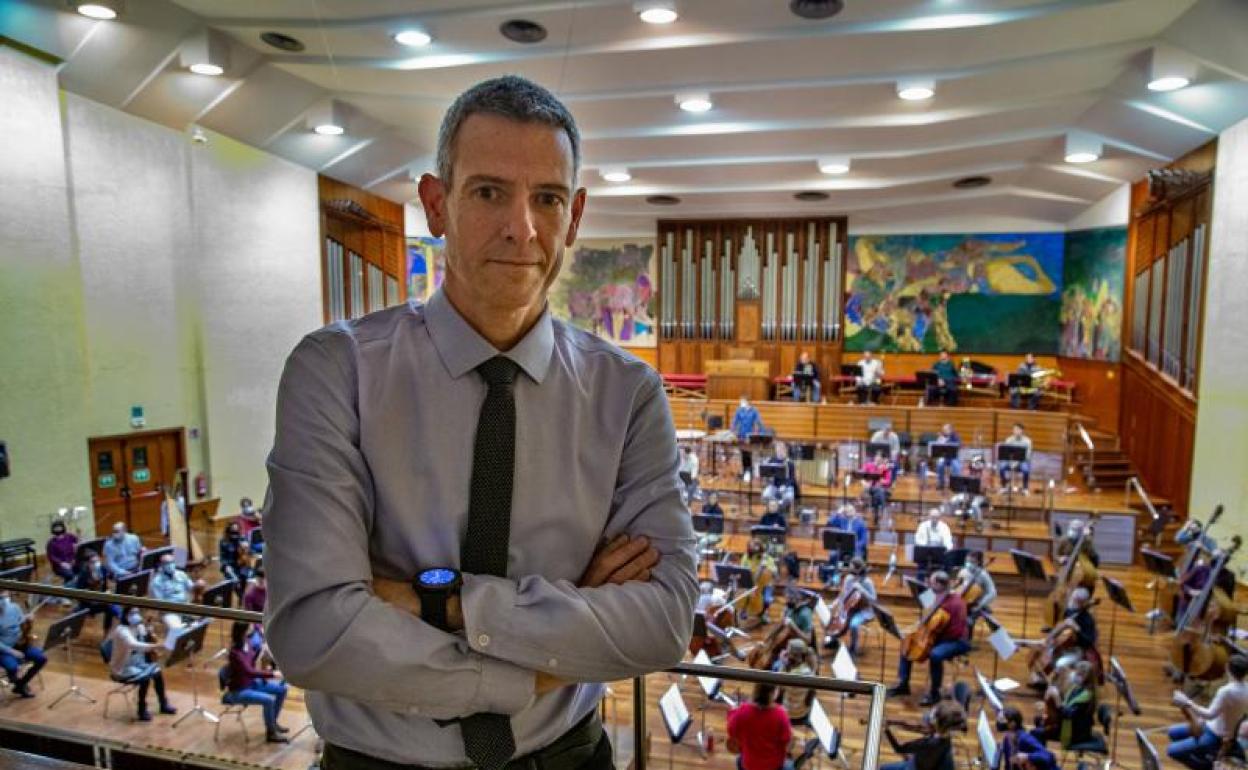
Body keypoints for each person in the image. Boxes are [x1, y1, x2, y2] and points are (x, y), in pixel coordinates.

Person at [265, 76, 697, 770]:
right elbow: (314, 629)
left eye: (548, 199)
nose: (521, 228)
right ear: (437, 204)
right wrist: (549, 647)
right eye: (490, 191)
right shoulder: (336, 371)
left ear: (576, 216)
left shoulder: (629, 393)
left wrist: (438, 606)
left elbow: (663, 621)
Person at [888, 571, 970, 706]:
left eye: (931, 583)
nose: (928, 585)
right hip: (938, 633)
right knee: (907, 643)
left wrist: (930, 637)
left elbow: (953, 630)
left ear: (939, 584)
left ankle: (935, 693)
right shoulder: (936, 595)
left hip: (956, 640)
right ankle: (903, 683)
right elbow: (926, 614)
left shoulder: (953, 603)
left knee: (935, 655)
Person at [1167, 655, 1248, 770]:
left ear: (1227, 668)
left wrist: (1187, 702)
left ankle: (1205, 766)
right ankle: (1201, 753)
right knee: (1172, 732)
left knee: (1171, 751)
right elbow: (1224, 712)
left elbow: (1209, 715)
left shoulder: (1226, 691)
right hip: (1214, 727)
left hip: (1215, 735)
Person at [224, 621, 291, 743]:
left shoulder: (247, 643)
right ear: (244, 631)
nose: (253, 627)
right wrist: (272, 674)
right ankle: (270, 733)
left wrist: (261, 653)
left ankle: (273, 723)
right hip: (239, 690)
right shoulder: (234, 653)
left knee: (283, 689)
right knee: (269, 700)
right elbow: (249, 671)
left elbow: (251, 662)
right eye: (250, 627)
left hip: (252, 683)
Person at [106, 609, 177, 721]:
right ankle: (141, 709)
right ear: (125, 615)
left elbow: (147, 636)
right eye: (132, 613)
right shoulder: (121, 630)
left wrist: (149, 627)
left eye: (137, 612)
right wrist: (156, 646)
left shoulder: (138, 627)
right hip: (123, 668)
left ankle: (163, 704)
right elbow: (134, 645)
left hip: (137, 662)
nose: (136, 615)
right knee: (146, 678)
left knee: (157, 672)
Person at [881, 700, 962, 770]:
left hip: (914, 767)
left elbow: (898, 749)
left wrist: (886, 730)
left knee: (883, 768)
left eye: (932, 715)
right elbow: (920, 728)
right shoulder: (946, 735)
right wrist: (894, 722)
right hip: (923, 762)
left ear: (935, 722)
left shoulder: (928, 743)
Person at [1031, 660, 1096, 748]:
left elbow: (1069, 715)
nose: (1076, 676)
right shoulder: (1076, 687)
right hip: (1069, 724)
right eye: (1076, 673)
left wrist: (1057, 701)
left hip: (1075, 732)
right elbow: (1066, 703)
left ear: (1086, 678)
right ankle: (1041, 751)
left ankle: (1042, 756)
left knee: (1035, 732)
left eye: (1079, 674)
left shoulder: (1087, 695)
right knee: (1038, 720)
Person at [727, 683, 793, 770]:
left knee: (739, 760)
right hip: (773, 766)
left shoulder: (743, 710)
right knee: (790, 765)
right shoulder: (781, 714)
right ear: (773, 693)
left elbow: (731, 731)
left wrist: (733, 712)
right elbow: (787, 741)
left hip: (749, 764)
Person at [823, 557, 877, 656]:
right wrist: (834, 604)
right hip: (850, 607)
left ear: (858, 570)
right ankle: (833, 641)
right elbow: (844, 595)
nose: (850, 572)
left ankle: (854, 648)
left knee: (853, 624)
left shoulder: (867, 582)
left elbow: (873, 599)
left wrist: (861, 589)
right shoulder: (849, 578)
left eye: (852, 570)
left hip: (865, 609)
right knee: (829, 616)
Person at [0, 589, 47, 698]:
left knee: (41, 658)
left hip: (19, 645)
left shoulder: (15, 607)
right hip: (3, 649)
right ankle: (17, 681)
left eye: (4, 595)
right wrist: (12, 651)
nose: (3, 599)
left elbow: (21, 625)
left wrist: (29, 620)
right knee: (12, 667)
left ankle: (20, 685)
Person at [149, 552, 195, 650]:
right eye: (166, 563)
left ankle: (184, 648)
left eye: (172, 562)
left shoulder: (181, 574)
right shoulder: (156, 582)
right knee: (176, 628)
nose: (170, 565)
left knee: (195, 626)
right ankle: (170, 649)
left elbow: (192, 588)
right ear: (161, 565)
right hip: (168, 612)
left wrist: (198, 586)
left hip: (185, 608)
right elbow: (160, 604)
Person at [74, 550, 122, 632]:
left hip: (102, 600)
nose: (96, 563)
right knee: (109, 606)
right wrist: (97, 599)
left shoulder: (102, 569)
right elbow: (80, 595)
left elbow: (109, 583)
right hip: (88, 603)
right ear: (87, 563)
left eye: (97, 561)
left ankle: (110, 629)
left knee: (112, 607)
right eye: (93, 562)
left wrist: (108, 591)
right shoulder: (83, 574)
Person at [955, 551, 996, 635]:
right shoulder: (963, 571)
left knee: (970, 616)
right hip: (962, 600)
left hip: (975, 603)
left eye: (971, 562)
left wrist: (980, 605)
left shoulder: (983, 575)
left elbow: (992, 592)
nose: (968, 564)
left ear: (978, 562)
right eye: (967, 561)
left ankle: (966, 636)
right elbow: (957, 585)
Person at [219, 521, 253, 603]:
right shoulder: (223, 542)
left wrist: (247, 547)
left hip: (242, 564)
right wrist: (226, 566)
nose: (235, 535)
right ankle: (242, 597)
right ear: (229, 531)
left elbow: (250, 553)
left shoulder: (242, 539)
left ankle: (242, 598)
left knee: (244, 576)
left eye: (236, 532)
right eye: (232, 532)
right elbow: (222, 557)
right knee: (234, 581)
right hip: (230, 566)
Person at [733, 395, 766, 478]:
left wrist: (763, 432)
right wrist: (732, 431)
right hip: (741, 435)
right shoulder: (739, 410)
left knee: (749, 453)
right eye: (740, 402)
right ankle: (745, 471)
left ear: (747, 401)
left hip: (749, 435)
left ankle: (750, 471)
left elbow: (759, 421)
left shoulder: (754, 411)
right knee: (743, 454)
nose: (740, 403)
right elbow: (734, 422)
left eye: (742, 401)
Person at [998, 422, 1033, 493]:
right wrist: (1011, 462)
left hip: (1022, 461)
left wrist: (1017, 463)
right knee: (1001, 467)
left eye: (1017, 429)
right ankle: (1003, 486)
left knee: (1026, 470)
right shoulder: (1009, 439)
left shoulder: (1027, 441)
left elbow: (1028, 455)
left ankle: (1025, 488)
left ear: (1022, 431)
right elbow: (1005, 453)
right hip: (1010, 461)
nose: (1015, 431)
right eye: (1014, 429)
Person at [926, 424, 962, 491]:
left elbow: (959, 446)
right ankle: (941, 483)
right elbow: (937, 447)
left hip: (953, 457)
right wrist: (941, 440)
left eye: (945, 430)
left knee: (956, 466)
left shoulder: (955, 436)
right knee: (940, 464)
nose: (943, 431)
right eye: (943, 430)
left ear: (950, 430)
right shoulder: (941, 437)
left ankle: (955, 484)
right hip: (944, 458)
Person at [861, 452, 893, 522]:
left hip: (882, 489)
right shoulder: (868, 465)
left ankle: (876, 514)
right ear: (874, 458)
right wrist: (864, 482)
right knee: (879, 491)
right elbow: (862, 475)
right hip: (870, 488)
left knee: (878, 492)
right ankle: (883, 508)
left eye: (880, 458)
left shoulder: (885, 468)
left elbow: (888, 481)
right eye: (877, 457)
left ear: (882, 460)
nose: (878, 460)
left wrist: (881, 481)